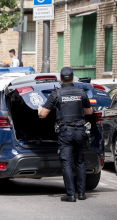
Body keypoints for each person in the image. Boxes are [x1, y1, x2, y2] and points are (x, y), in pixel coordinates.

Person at [38, 67, 93, 202]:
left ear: (61, 79)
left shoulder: (56, 94)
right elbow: (90, 112)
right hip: (80, 131)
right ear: (73, 78)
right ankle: (81, 193)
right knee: (80, 161)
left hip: (66, 133)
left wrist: (39, 109)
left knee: (67, 163)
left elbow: (43, 114)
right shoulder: (81, 92)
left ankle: (70, 195)